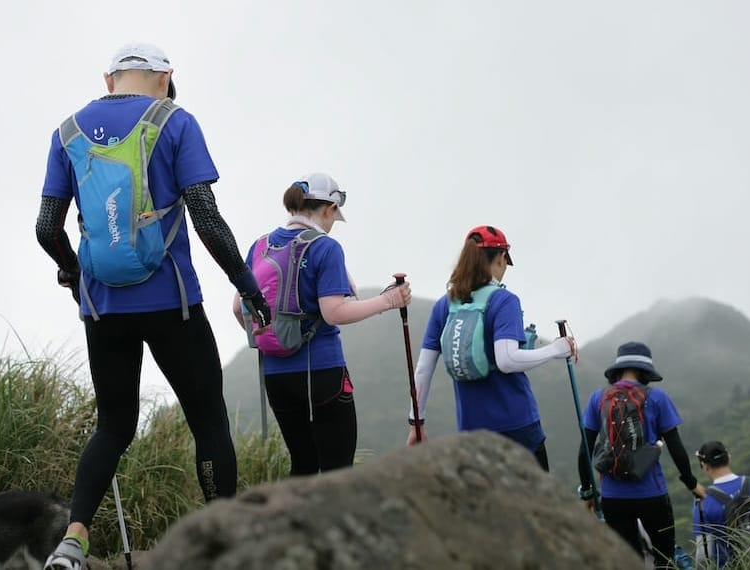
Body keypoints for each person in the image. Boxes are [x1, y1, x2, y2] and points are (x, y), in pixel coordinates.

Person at [36, 43, 270, 570]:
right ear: (165, 77)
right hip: (174, 302)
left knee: (113, 426)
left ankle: (72, 542)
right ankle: (222, 544)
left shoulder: (67, 132)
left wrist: (74, 273)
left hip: (102, 306)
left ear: (109, 77)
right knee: (209, 422)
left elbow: (45, 228)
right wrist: (248, 287)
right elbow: (206, 219)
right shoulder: (176, 122)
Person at [233, 172, 412, 476]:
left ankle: (294, 524)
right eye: (333, 216)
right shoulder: (325, 247)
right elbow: (334, 312)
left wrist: (274, 337)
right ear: (327, 209)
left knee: (302, 466)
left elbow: (239, 307)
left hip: (276, 376)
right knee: (337, 472)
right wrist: (389, 301)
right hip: (322, 371)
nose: (332, 224)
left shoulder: (260, 246)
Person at [404, 225, 576, 471]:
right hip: (518, 427)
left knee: (488, 507)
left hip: (472, 430)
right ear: (501, 258)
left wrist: (416, 423)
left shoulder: (446, 304)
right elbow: (506, 360)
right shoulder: (504, 300)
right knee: (533, 506)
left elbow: (422, 369)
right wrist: (556, 350)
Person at [577, 341, 706, 569]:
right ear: (645, 371)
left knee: (628, 562)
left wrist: (587, 492)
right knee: (664, 559)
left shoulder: (598, 398)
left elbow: (584, 449)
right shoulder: (657, 398)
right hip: (652, 494)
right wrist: (691, 483)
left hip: (612, 497)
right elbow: (676, 446)